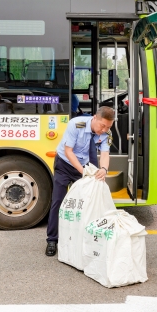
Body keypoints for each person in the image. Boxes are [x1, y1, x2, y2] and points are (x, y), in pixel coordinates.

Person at [45, 106, 115, 257]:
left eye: (108, 127)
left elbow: (104, 154)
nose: (104, 129)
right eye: (102, 125)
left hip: (85, 165)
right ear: (95, 118)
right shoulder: (76, 124)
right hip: (65, 164)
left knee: (86, 203)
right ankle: (52, 240)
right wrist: (83, 172)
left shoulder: (107, 133)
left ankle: (81, 238)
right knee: (58, 201)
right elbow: (68, 151)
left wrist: (103, 169)